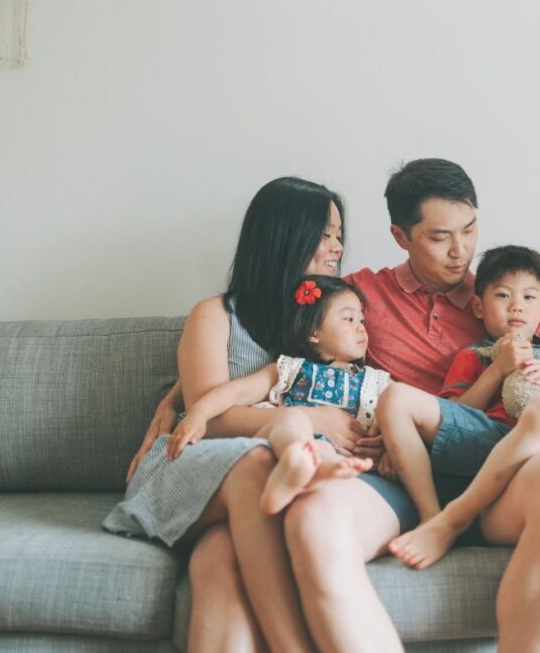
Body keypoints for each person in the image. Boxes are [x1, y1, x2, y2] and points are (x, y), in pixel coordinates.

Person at [280, 158, 540, 653]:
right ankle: (433, 518)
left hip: (504, 478)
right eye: (439, 237)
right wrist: (185, 395)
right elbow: (278, 338)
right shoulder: (363, 294)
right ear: (400, 236)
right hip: (399, 478)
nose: (461, 252)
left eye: (470, 229)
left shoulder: (502, 295)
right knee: (313, 520)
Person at [105, 176, 355, 653]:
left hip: (265, 480)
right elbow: (210, 420)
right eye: (324, 234)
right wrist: (312, 419)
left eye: (339, 235)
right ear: (282, 235)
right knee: (256, 465)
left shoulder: (334, 318)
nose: (337, 247)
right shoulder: (216, 314)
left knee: (219, 557)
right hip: (195, 459)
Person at [377, 244, 540, 569]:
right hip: (491, 441)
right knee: (396, 397)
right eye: (502, 295)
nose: (516, 306)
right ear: (478, 306)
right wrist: (497, 369)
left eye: (528, 297)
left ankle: (457, 517)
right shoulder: (473, 354)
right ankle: (432, 518)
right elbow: (456, 411)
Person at [164, 275, 384, 514]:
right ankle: (294, 465)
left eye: (361, 320)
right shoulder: (291, 369)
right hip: (282, 448)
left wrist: (385, 440)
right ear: (313, 332)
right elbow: (236, 392)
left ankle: (317, 471)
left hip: (339, 456)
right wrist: (199, 412)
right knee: (292, 419)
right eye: (349, 319)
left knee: (323, 450)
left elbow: (400, 410)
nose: (361, 328)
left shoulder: (375, 381)